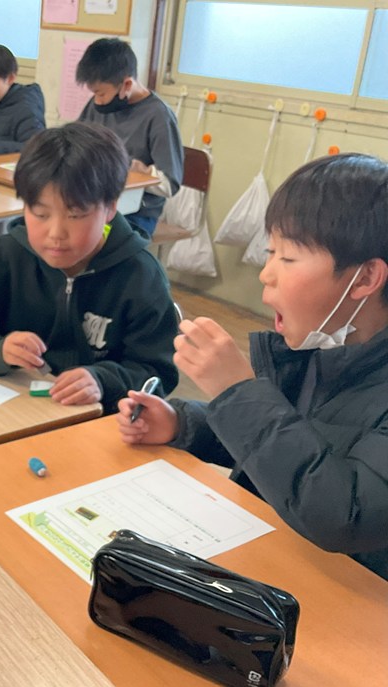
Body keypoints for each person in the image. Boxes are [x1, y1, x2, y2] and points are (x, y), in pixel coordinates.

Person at [117, 153, 388, 580]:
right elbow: (286, 448)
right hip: (272, 559)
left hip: (350, 594)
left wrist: (237, 391)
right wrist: (183, 423)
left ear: (365, 278)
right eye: (270, 252)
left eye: (288, 258)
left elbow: (343, 514)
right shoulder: (323, 346)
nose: (266, 274)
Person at [0, 122, 179, 413]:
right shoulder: (7, 255)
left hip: (101, 421)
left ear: (110, 207)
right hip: (19, 409)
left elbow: (158, 373)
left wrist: (103, 381)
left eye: (75, 215)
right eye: (40, 214)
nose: (56, 233)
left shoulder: (140, 276)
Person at [75, 37, 182, 240]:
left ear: (127, 84)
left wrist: (144, 173)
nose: (97, 101)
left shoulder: (158, 116)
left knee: (96, 245)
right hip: (94, 202)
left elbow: (170, 184)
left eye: (101, 94)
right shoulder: (98, 106)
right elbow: (75, 143)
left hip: (135, 214)